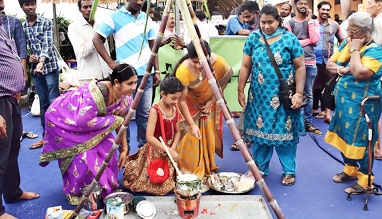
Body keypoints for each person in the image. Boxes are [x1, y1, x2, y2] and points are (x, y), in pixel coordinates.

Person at [39, 63, 137, 205]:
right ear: (116, 82)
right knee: (84, 156)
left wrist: (124, 148)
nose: (134, 87)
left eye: (135, 82)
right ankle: (77, 192)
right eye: (130, 83)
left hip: (92, 123)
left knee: (108, 147)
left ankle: (103, 187)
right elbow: (83, 122)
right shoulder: (98, 93)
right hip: (63, 119)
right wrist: (114, 120)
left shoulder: (125, 98)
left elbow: (120, 123)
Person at [238, 4, 306, 186]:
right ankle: (259, 168)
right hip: (259, 97)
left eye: (270, 22)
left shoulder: (289, 39)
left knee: (286, 134)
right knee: (260, 134)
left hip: (284, 97)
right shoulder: (253, 38)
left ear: (278, 21)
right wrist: (240, 90)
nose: (266, 26)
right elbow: (245, 66)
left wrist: (299, 94)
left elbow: (300, 66)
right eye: (263, 22)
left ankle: (289, 170)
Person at [324, 11, 382, 194]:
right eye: (348, 29)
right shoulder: (346, 42)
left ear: (366, 32)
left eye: (354, 31)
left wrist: (356, 50)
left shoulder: (375, 51)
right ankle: (350, 170)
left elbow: (359, 73)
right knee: (344, 135)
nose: (349, 34)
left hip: (364, 105)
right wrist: (344, 69)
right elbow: (329, 65)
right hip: (343, 103)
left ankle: (365, 180)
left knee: (364, 141)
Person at [93, 0, 161, 148]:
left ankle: (143, 150)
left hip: (146, 76)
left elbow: (152, 46)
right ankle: (125, 150)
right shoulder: (114, 17)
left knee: (145, 115)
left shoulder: (146, 18)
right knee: (124, 115)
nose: (139, 2)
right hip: (126, 78)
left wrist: (157, 70)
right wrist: (110, 62)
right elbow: (96, 38)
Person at [174, 40, 233, 178]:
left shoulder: (219, 63)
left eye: (202, 61)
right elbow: (181, 100)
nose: (199, 65)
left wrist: (212, 101)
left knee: (208, 135)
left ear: (209, 56)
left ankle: (207, 167)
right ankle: (189, 172)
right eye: (195, 62)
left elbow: (224, 81)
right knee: (190, 136)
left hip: (209, 102)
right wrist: (192, 124)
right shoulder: (183, 69)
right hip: (189, 103)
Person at [1, 17, 40, 219]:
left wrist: (15, 86)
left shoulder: (2, 29)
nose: (3, 10)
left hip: (11, 96)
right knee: (0, 154)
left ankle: (12, 192)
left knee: (12, 148)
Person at [123, 74, 183, 195]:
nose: (176, 101)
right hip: (156, 148)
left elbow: (178, 131)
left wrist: (172, 148)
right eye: (173, 98)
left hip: (170, 147)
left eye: (178, 98)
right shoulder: (155, 110)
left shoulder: (175, 108)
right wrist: (168, 151)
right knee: (158, 184)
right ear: (163, 94)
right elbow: (149, 137)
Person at [19, 0, 60, 149]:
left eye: (32, 4)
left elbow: (47, 45)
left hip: (49, 67)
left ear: (36, 5)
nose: (30, 7)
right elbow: (24, 47)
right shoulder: (22, 27)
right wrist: (30, 56)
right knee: (44, 104)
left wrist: (41, 61)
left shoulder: (46, 22)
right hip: (35, 70)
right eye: (26, 4)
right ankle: (46, 138)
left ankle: (59, 137)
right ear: (21, 7)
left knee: (53, 101)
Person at [285, 0, 321, 135]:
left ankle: (308, 123)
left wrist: (310, 21)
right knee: (293, 92)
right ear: (295, 5)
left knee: (309, 93)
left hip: (310, 62)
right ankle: (295, 122)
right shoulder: (289, 23)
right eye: (301, 3)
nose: (304, 6)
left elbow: (315, 39)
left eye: (306, 4)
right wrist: (308, 41)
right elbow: (290, 42)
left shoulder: (313, 22)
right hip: (293, 63)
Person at [313, 1, 344, 124]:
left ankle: (326, 113)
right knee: (314, 86)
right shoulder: (312, 24)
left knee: (328, 87)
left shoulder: (335, 25)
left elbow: (342, 40)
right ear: (318, 10)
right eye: (323, 9)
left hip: (328, 61)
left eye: (327, 10)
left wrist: (340, 56)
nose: (325, 12)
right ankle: (314, 109)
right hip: (313, 60)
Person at [68, 0, 111, 85]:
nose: (89, 9)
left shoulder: (100, 26)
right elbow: (82, 51)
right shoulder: (74, 27)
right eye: (85, 7)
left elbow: (107, 51)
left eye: (91, 7)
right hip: (88, 78)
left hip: (105, 76)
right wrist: (96, 41)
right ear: (80, 9)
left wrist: (110, 71)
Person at [366, 0, 382, 160]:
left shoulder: (377, 23)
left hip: (377, 73)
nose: (367, 5)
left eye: (370, 2)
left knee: (374, 113)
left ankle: (378, 148)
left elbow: (374, 49)